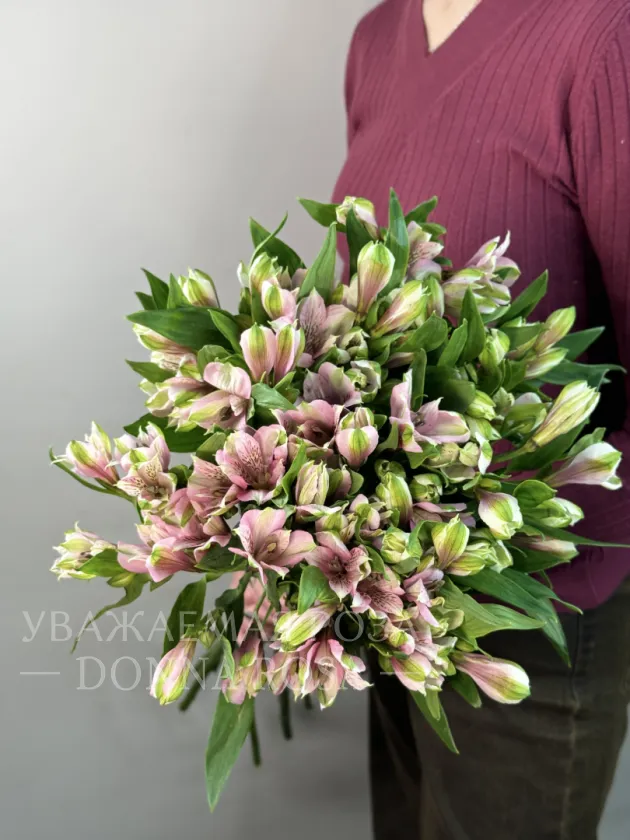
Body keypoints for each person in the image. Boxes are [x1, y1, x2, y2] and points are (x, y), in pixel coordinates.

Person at [332, 1, 630, 837]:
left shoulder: (604, 35)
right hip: (391, 595)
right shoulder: (376, 40)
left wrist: (510, 523)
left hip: (536, 609)